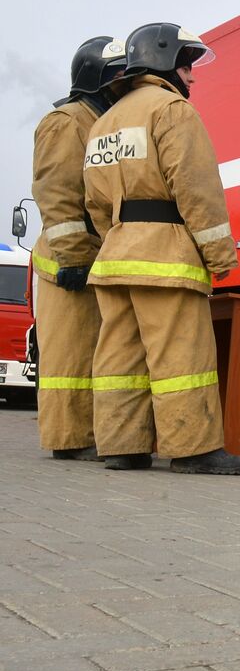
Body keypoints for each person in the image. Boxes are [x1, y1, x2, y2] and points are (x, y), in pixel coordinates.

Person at [83, 23, 240, 475]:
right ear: (162, 62)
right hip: (165, 257)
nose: (192, 77)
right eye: (186, 65)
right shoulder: (173, 111)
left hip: (115, 257)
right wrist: (220, 259)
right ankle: (193, 449)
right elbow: (197, 191)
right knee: (182, 357)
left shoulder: (104, 122)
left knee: (121, 358)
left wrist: (117, 239)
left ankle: (122, 446)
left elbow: (95, 204)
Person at [30, 36, 125, 461]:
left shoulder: (105, 122)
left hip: (95, 255)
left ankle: (88, 434)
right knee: (69, 357)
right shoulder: (68, 121)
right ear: (99, 79)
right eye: (118, 73)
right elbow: (57, 193)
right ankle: (68, 440)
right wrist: (72, 254)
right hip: (68, 259)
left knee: (91, 352)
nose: (127, 81)